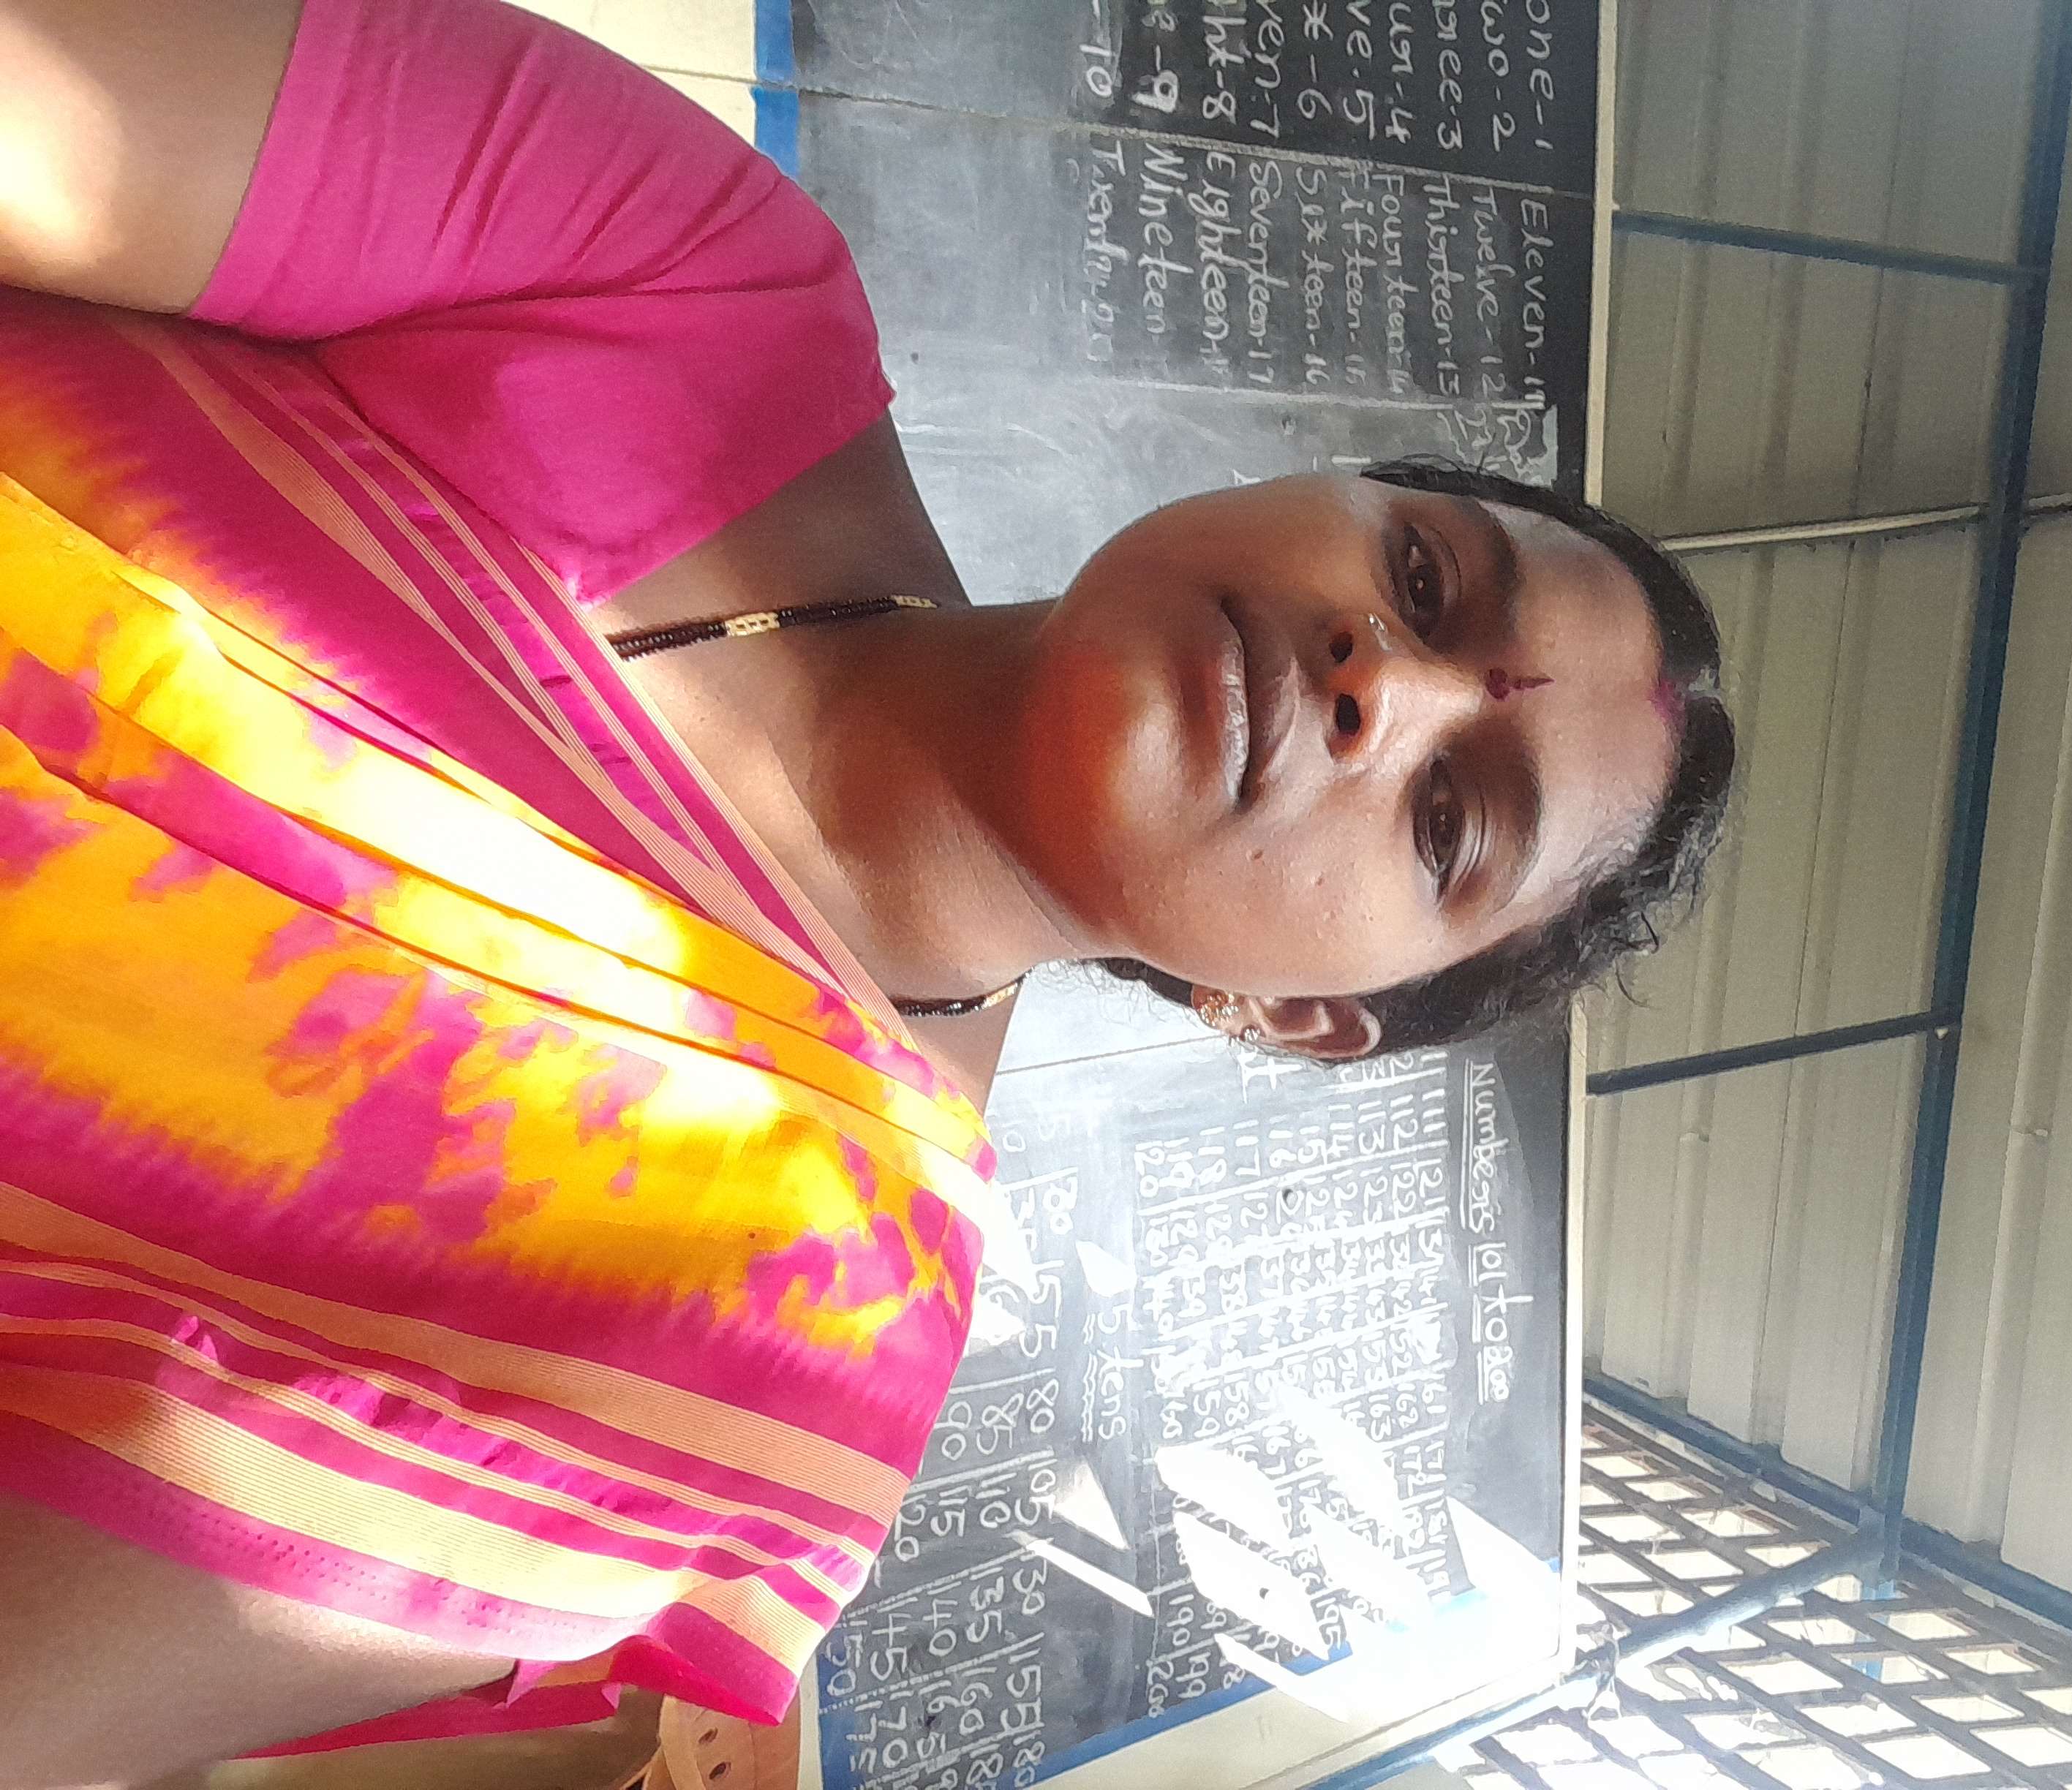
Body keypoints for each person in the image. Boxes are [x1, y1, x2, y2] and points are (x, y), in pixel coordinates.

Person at [0, 0, 1733, 1782]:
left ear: (1298, 1019)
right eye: (1427, 577)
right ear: (1317, 484)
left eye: (1450, 820)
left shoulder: (762, 1364)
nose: (1383, 682)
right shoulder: (690, 288)